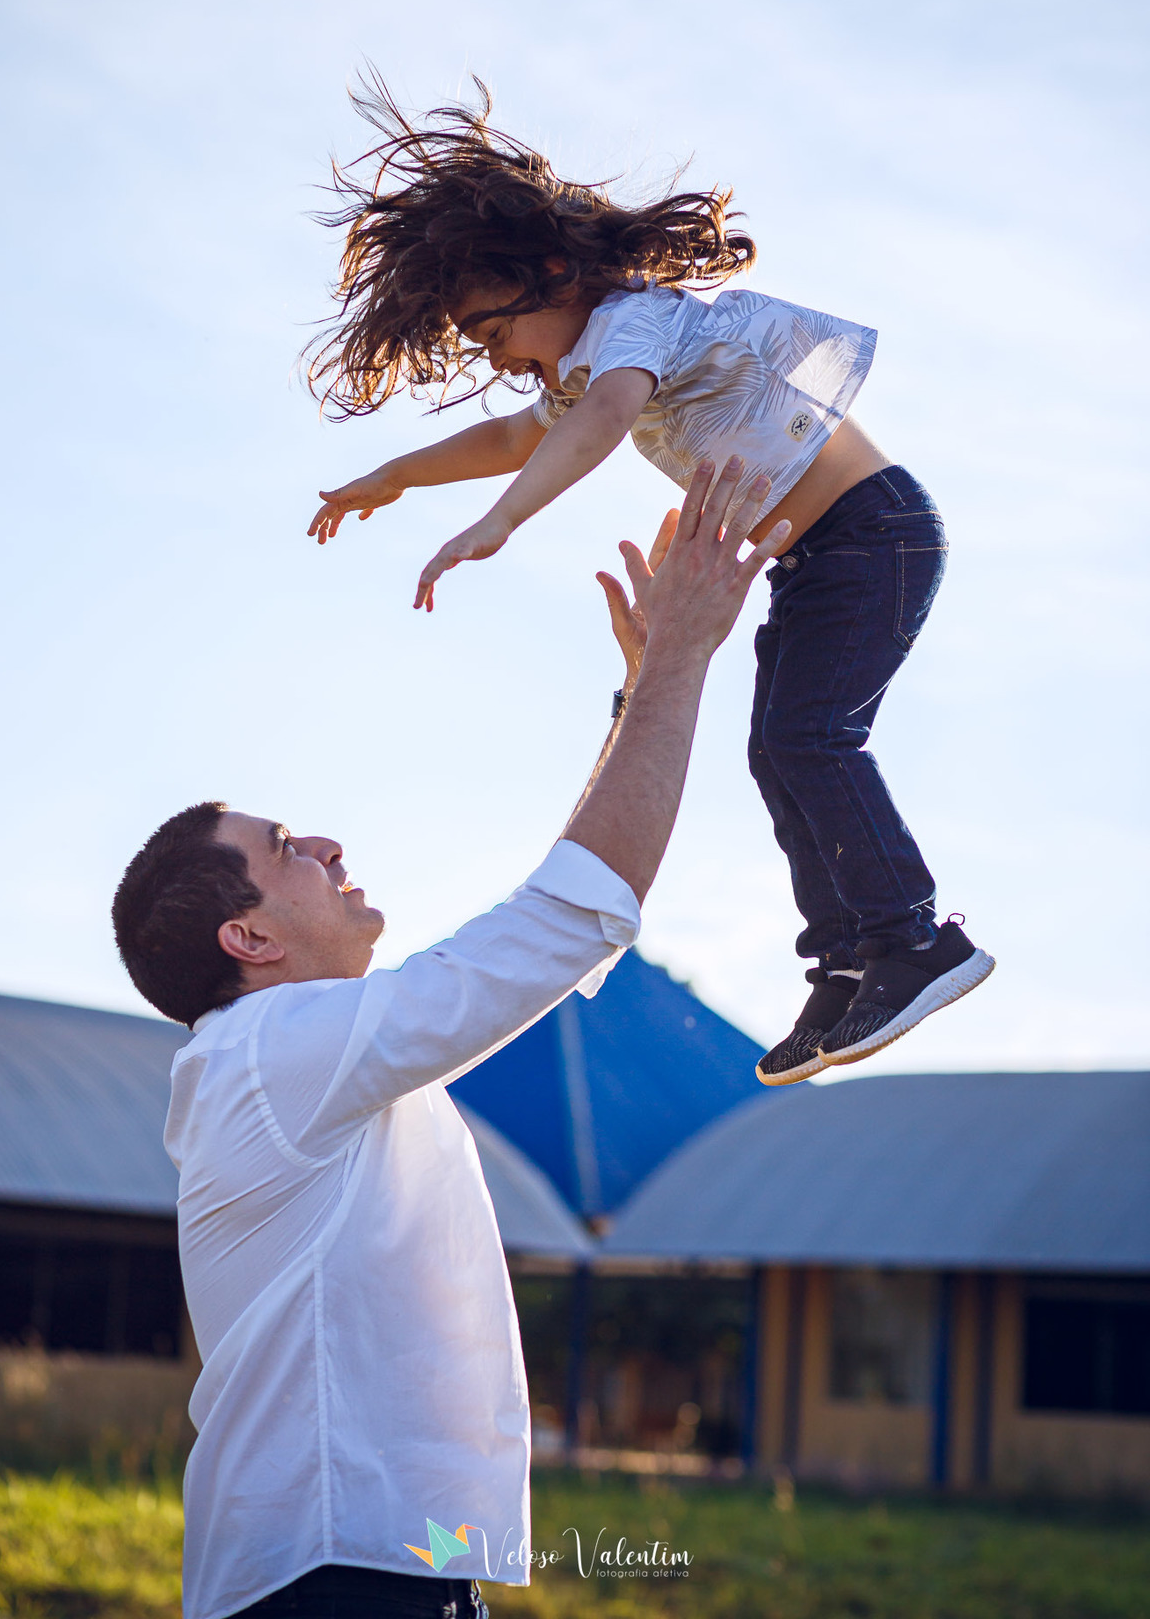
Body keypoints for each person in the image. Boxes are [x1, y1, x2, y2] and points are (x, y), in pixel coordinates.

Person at [112, 463, 786, 1619]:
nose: (325, 841)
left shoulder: (292, 1061)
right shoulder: (269, 1053)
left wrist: (635, 703)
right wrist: (678, 665)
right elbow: (553, 928)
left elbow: (552, 932)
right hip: (332, 1577)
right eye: (284, 847)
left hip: (386, 1563)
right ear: (249, 937)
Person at [303, 79, 993, 1083]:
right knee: (779, 747)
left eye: (497, 332)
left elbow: (598, 421)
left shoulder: (631, 324)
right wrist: (395, 476)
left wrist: (500, 522)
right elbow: (514, 432)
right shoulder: (589, 355)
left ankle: (912, 939)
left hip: (872, 536)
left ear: (549, 273)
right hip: (817, 558)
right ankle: (849, 963)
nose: (503, 360)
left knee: (811, 738)